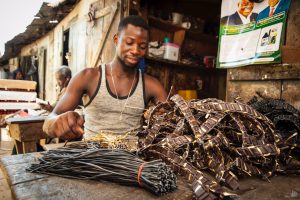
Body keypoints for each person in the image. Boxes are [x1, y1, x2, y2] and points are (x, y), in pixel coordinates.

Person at [43, 15, 167, 141]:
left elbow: (170, 124)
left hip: (132, 158)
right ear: (116, 39)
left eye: (142, 46)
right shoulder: (88, 77)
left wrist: (162, 122)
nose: (135, 50)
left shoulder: (152, 85)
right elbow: (50, 119)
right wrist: (56, 124)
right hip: (92, 157)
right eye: (129, 42)